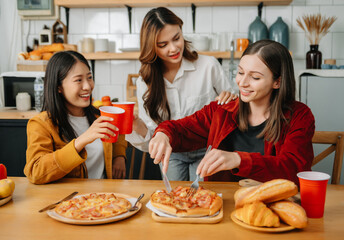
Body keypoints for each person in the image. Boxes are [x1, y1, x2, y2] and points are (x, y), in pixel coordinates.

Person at [148, 40, 315, 186]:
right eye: (241, 72)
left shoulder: (299, 116)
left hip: (274, 206)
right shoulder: (222, 110)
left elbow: (294, 169)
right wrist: (163, 134)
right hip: (223, 204)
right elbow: (180, 129)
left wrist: (238, 159)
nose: (242, 82)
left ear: (277, 82)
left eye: (255, 78)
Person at [125, 7, 238, 181]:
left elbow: (235, 108)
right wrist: (137, 126)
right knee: (174, 201)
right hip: (172, 153)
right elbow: (152, 136)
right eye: (163, 45)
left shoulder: (208, 66)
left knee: (203, 200)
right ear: (151, 48)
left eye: (176, 38)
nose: (173, 48)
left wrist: (229, 98)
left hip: (207, 151)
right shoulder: (145, 82)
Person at [25, 51, 128, 184]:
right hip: (69, 201)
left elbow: (118, 132)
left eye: (89, 78)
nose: (87, 86)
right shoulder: (40, 124)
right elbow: (36, 172)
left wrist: (119, 156)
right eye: (78, 80)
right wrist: (81, 141)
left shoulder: (99, 115)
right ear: (58, 87)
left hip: (104, 198)